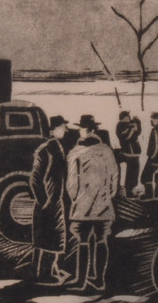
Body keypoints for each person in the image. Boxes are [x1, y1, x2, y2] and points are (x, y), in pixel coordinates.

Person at [66, 116, 118, 292]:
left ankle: (81, 280)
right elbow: (115, 176)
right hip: (103, 204)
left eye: (81, 128)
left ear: (86, 131)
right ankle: (99, 280)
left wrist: (75, 198)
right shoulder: (106, 150)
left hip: (83, 204)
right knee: (101, 240)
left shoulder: (75, 153)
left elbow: (72, 183)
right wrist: (109, 195)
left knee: (83, 241)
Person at [29, 116, 73, 286]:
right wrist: (44, 201)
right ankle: (42, 274)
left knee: (55, 238)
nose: (65, 130)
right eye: (62, 127)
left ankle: (52, 270)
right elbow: (35, 179)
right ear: (53, 130)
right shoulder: (45, 149)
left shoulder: (57, 146)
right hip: (47, 203)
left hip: (56, 200)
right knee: (46, 238)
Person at [139, 111, 158, 199]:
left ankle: (149, 195)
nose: (153, 120)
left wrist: (152, 157)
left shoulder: (155, 130)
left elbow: (156, 145)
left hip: (154, 158)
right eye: (152, 119)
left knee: (145, 176)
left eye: (155, 119)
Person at [114, 110, 142, 196]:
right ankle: (128, 191)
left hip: (135, 153)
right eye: (126, 117)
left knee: (134, 173)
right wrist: (132, 129)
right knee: (131, 174)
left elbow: (138, 131)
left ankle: (132, 191)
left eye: (128, 117)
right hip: (128, 153)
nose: (128, 119)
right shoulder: (120, 125)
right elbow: (125, 137)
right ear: (122, 118)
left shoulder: (130, 123)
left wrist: (137, 121)